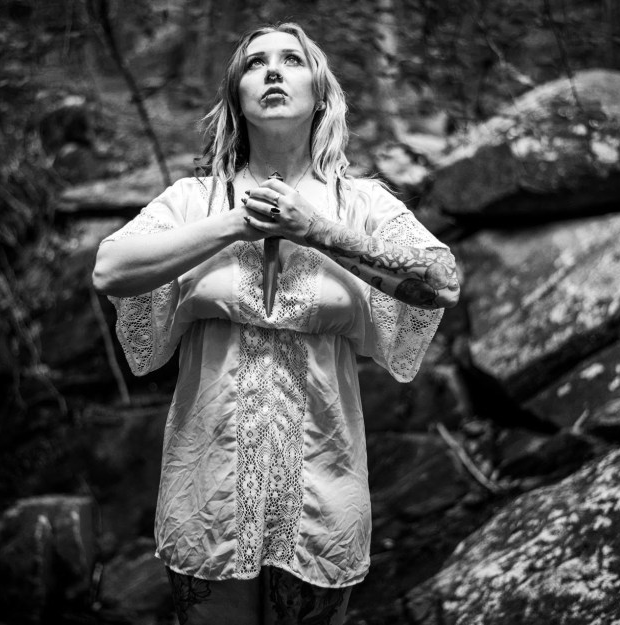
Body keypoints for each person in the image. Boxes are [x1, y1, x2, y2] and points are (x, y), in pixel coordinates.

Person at [92, 22, 460, 625]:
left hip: (324, 496)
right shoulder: (194, 200)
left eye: (291, 60)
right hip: (207, 496)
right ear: (236, 98)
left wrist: (315, 230)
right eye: (254, 63)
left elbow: (441, 282)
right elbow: (110, 269)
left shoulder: (360, 203)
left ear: (320, 95)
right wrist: (237, 223)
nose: (271, 71)